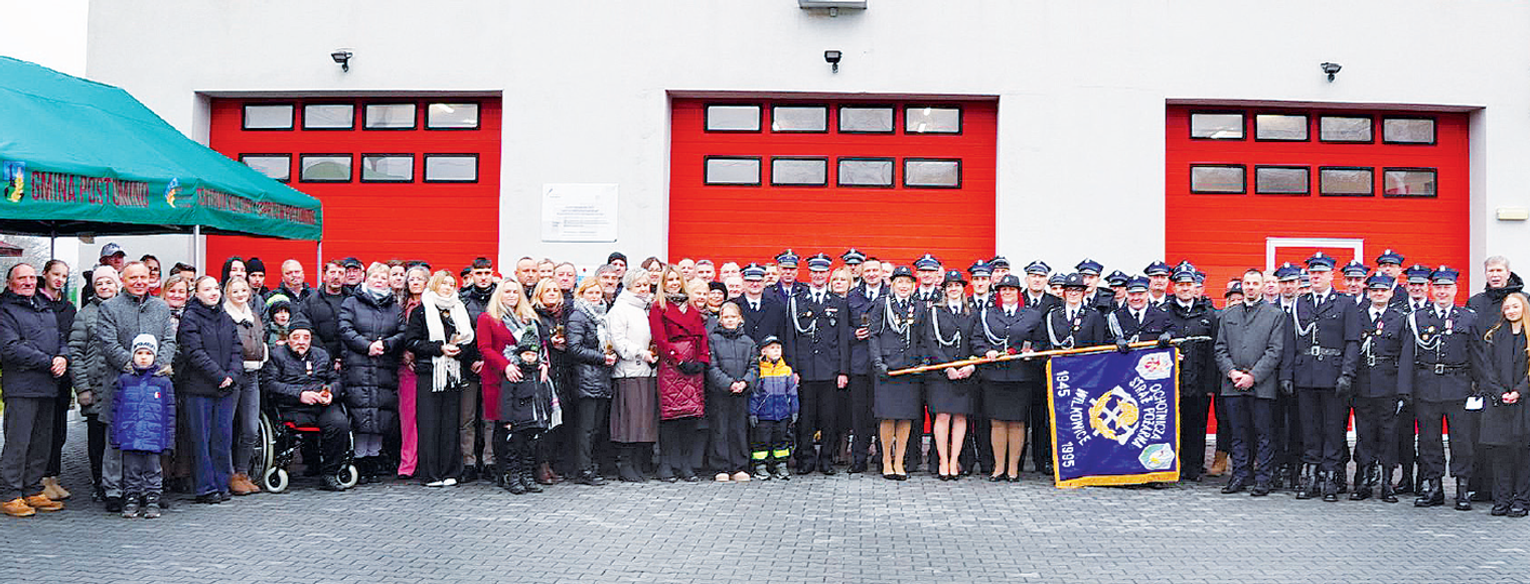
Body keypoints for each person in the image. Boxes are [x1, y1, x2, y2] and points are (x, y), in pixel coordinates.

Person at [95, 261, 177, 512]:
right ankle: (114, 491)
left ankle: (146, 492)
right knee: (116, 440)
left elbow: (169, 340)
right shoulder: (109, 308)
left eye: (144, 277)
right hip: (121, 385)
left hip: (153, 387)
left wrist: (156, 367)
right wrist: (132, 366)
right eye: (133, 278)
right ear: (123, 280)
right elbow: (108, 344)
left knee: (149, 442)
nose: (140, 282)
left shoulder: (161, 307)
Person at [1399, 266, 1479, 510]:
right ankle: (1434, 487)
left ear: (1455, 289)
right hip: (1427, 387)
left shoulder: (1468, 317)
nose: (1442, 292)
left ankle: (1462, 488)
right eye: (1439, 287)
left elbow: (1477, 355)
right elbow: (1407, 355)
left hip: (1459, 387)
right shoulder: (1417, 318)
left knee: (1461, 441)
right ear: (1431, 290)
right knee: (1428, 440)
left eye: (1447, 287)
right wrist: (1405, 389)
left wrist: (1480, 388)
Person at [1289, 252, 1362, 502]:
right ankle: (1311, 476)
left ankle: (1331, 477)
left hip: (1333, 374)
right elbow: (1291, 341)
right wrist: (1288, 374)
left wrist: (1347, 374)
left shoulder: (1345, 303)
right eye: (1312, 273)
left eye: (1321, 272)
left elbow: (1352, 342)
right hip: (1306, 375)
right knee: (1309, 429)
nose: (1316, 276)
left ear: (1331, 275)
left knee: (1333, 429)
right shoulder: (1300, 303)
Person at [0, 263, 70, 517]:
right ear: (10, 283)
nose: (28, 282)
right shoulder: (4, 310)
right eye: (22, 278)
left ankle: (32, 489)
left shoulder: (43, 306)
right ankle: (9, 494)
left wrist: (63, 357)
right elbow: (10, 348)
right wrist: (49, 361)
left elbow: (60, 338)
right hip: (21, 386)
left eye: (31, 277)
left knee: (41, 442)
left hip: (47, 385)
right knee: (18, 443)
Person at [1214, 268, 1287, 497]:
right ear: (1242, 286)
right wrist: (1231, 372)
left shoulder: (1275, 315)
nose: (1251, 287)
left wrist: (1253, 376)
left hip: (1262, 385)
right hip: (1232, 384)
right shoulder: (1228, 315)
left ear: (1263, 286)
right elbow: (1220, 348)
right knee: (1238, 433)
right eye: (1247, 283)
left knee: (1264, 434)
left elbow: (1275, 351)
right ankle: (1239, 476)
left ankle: (1263, 478)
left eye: (1255, 283)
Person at [260, 319, 351, 491]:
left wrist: (329, 392)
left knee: (339, 424)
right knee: (291, 430)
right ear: (288, 339)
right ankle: (292, 464)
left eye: (306, 337)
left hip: (321, 405)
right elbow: (270, 384)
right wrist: (300, 394)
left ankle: (330, 473)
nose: (301, 341)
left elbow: (336, 380)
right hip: (291, 406)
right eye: (296, 337)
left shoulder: (321, 355)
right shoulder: (276, 356)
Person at [972, 274, 1045, 482]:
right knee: (997, 422)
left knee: (1017, 422)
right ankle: (998, 467)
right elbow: (976, 339)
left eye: (1011, 289)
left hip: (1020, 376)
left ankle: (1013, 468)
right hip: (994, 376)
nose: (1007, 293)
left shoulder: (1031, 315)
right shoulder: (988, 314)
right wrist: (985, 351)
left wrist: (1033, 352)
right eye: (1003, 290)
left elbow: (1041, 341)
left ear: (1018, 292)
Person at [406, 270, 475, 488]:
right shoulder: (421, 310)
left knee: (450, 423)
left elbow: (469, 341)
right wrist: (439, 348)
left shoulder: (459, 309)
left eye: (451, 284)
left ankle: (450, 471)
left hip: (453, 373)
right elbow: (412, 342)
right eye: (443, 283)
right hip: (430, 373)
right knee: (430, 423)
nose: (447, 287)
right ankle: (430, 474)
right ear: (435, 285)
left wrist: (459, 351)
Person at [177, 275, 242, 504]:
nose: (213, 292)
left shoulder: (226, 317)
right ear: (196, 293)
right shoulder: (190, 318)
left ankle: (222, 484)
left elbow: (237, 350)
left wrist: (232, 375)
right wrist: (219, 376)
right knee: (201, 440)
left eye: (216, 288)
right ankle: (205, 488)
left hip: (225, 389)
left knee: (222, 438)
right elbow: (194, 352)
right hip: (199, 389)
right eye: (207, 289)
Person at [340, 263, 407, 483]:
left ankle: (373, 459)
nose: (379, 280)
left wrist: (386, 345)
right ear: (366, 279)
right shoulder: (351, 302)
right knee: (361, 414)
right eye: (375, 277)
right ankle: (359, 460)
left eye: (383, 277)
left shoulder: (395, 308)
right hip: (358, 366)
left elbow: (402, 332)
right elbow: (345, 329)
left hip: (384, 366)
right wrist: (367, 346)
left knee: (381, 415)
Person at [491, 279, 557, 495]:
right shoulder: (491, 318)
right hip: (517, 413)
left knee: (530, 449)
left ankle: (527, 477)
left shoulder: (530, 320)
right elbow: (507, 398)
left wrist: (543, 363)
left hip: (534, 415)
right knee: (514, 449)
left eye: (515, 292)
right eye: (507, 291)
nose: (512, 295)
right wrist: (507, 419)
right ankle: (512, 477)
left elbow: (542, 345)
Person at [788, 254, 850, 476]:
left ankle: (826, 459)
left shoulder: (838, 302)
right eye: (815, 272)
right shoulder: (797, 300)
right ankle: (806, 458)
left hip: (829, 370)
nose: (818, 276)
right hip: (805, 370)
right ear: (810, 273)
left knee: (829, 418)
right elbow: (791, 337)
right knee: (805, 418)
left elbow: (843, 339)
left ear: (828, 274)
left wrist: (843, 371)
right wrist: (794, 369)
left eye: (822, 272)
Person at [1472, 291, 1530, 517]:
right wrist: (1500, 392)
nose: (1511, 311)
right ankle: (1502, 499)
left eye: (1515, 306)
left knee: (1524, 453)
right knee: (1500, 454)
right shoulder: (1494, 336)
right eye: (1507, 307)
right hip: (1498, 403)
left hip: (1524, 403)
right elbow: (1487, 370)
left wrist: (1519, 392)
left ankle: (1522, 500)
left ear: (1524, 308)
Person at [649, 269, 710, 482]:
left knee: (691, 415)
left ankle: (686, 464)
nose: (674, 283)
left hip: (693, 363)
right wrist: (679, 360)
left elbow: (702, 336)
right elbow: (660, 338)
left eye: (677, 279)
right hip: (672, 364)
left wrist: (702, 359)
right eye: (670, 280)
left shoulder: (691, 307)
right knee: (671, 415)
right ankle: (666, 464)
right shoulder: (659, 307)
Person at [869, 266, 928, 481]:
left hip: (909, 369)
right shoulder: (882, 304)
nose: (904, 286)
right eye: (900, 282)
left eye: (908, 282)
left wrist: (923, 361)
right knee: (887, 416)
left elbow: (923, 337)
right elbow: (874, 335)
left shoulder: (919, 306)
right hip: (888, 368)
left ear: (913, 285)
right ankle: (886, 460)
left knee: (906, 416)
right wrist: (878, 363)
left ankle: (899, 461)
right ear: (892, 284)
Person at [1352, 274, 1405, 503]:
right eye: (1374, 290)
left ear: (1391, 293)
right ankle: (1364, 479)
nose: (1379, 294)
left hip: (1388, 384)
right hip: (1362, 383)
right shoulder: (1357, 316)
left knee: (1388, 434)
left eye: (1383, 290)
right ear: (1368, 293)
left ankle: (1386, 481)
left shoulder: (1399, 319)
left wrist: (1403, 389)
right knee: (1364, 433)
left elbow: (1405, 355)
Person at [1163, 265, 1219, 482]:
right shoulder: (1163, 313)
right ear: (1174, 287)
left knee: (1197, 425)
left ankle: (1194, 466)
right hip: (1170, 381)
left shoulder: (1208, 314)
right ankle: (1174, 465)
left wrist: (1210, 384)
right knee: (1172, 425)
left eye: (1189, 284)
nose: (1185, 288)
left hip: (1199, 380)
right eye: (1180, 285)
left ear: (1196, 287)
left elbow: (1214, 351)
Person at [69, 266, 119, 501]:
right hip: (96, 387)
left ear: (117, 285)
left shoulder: (126, 309)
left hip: (121, 387)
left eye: (109, 282)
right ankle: (99, 482)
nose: (105, 287)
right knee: (97, 439)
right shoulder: (85, 314)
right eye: (100, 283)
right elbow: (75, 353)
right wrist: (82, 388)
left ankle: (120, 483)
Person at [111, 334, 175, 519]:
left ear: (155, 356)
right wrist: (116, 437)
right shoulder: (125, 380)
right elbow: (116, 410)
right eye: (139, 353)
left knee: (153, 470)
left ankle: (153, 500)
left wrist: (169, 441)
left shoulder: (163, 382)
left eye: (148, 353)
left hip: (154, 438)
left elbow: (170, 414)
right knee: (131, 471)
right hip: (130, 436)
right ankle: (131, 500)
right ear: (133, 355)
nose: (144, 357)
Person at [560, 278, 616, 486]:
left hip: (600, 378)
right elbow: (574, 348)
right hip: (585, 378)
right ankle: (583, 469)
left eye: (597, 293)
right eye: (590, 293)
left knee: (595, 428)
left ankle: (588, 465)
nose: (594, 297)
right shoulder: (578, 316)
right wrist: (602, 358)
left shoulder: (601, 316)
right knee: (585, 428)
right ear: (581, 294)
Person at [923, 270, 977, 481]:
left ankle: (955, 460)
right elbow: (931, 342)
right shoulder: (935, 312)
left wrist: (971, 366)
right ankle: (943, 461)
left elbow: (976, 340)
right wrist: (947, 367)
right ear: (944, 290)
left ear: (963, 288)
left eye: (957, 285)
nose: (954, 289)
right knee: (943, 416)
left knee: (961, 416)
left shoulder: (972, 312)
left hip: (964, 372)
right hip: (941, 373)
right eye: (949, 286)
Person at [608, 268, 660, 482]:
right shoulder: (620, 309)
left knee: (644, 421)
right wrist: (640, 353)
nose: (643, 289)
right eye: (638, 285)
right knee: (629, 420)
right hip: (629, 371)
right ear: (628, 286)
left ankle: (638, 464)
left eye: (645, 284)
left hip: (648, 370)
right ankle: (626, 464)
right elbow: (618, 340)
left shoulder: (648, 307)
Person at [224, 277, 267, 496]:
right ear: (227, 293)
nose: (240, 294)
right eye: (235, 291)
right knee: (228, 427)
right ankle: (229, 473)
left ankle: (242, 472)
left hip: (253, 376)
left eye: (243, 290)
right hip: (234, 376)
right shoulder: (225, 317)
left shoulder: (254, 317)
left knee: (250, 428)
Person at [36, 260, 75, 503]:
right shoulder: (36, 303)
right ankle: (39, 478)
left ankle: (53, 476)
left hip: (63, 375)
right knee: (42, 428)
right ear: (45, 274)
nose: (60, 279)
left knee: (59, 428)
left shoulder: (68, 308)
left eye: (64, 276)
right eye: (56, 274)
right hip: (41, 373)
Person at [706, 302, 757, 483]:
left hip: (742, 392)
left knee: (739, 429)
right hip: (720, 392)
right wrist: (728, 384)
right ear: (720, 319)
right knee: (720, 429)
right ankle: (721, 467)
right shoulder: (712, 340)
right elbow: (712, 367)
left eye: (733, 317)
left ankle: (739, 466)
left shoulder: (748, 342)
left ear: (740, 319)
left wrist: (745, 382)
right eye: (726, 317)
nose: (729, 320)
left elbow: (754, 366)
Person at [457, 258, 497, 483]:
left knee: (490, 417)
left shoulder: (499, 298)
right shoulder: (462, 300)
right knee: (467, 417)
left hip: (493, 366)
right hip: (468, 366)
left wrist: (488, 360)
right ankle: (468, 462)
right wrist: (472, 358)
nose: (483, 277)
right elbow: (459, 334)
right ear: (472, 274)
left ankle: (489, 461)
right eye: (479, 273)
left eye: (487, 273)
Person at [844, 258, 885, 474]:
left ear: (882, 272)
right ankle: (859, 459)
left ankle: (883, 458)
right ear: (861, 272)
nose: (871, 274)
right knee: (859, 414)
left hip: (884, 362)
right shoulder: (852, 296)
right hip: (859, 362)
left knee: (883, 413)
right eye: (867, 270)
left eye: (874, 270)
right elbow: (843, 328)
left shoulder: (890, 295)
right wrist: (854, 334)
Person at [532, 279, 570, 484]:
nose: (552, 293)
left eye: (555, 290)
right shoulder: (534, 315)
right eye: (547, 290)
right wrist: (549, 341)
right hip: (544, 373)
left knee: (558, 422)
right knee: (543, 423)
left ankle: (553, 464)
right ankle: (541, 465)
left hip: (564, 372)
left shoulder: (565, 314)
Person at [750, 336, 797, 481]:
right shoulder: (759, 371)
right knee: (761, 441)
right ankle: (760, 466)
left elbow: (792, 392)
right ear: (763, 351)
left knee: (781, 441)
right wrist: (752, 412)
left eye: (778, 348)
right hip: (764, 414)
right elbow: (754, 394)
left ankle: (781, 465)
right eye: (772, 348)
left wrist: (794, 410)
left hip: (782, 413)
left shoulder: (787, 370)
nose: (776, 350)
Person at [301, 260, 350, 368]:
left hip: (349, 361)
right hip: (321, 361)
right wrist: (328, 357)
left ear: (345, 277)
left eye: (340, 273)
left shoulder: (352, 301)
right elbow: (309, 331)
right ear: (324, 275)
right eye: (332, 272)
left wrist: (343, 357)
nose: (336, 276)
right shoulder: (310, 302)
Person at [735, 263, 787, 347]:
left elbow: (783, 337)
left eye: (758, 281)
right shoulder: (733, 306)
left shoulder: (776, 307)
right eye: (750, 281)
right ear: (743, 282)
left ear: (764, 282)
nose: (755, 284)